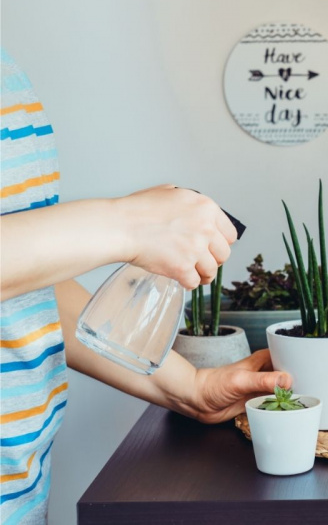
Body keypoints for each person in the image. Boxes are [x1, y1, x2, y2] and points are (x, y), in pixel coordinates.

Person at [0, 48, 291, 524]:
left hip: (22, 491)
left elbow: (23, 287)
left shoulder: (6, 69)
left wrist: (190, 388)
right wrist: (129, 224)